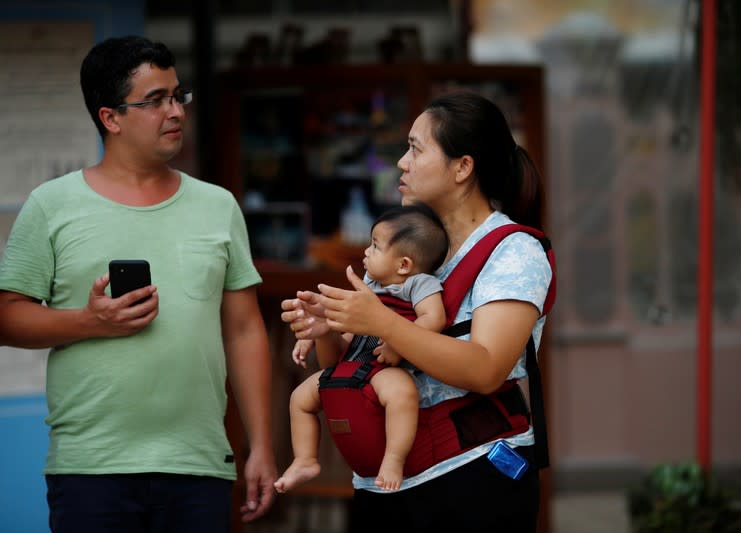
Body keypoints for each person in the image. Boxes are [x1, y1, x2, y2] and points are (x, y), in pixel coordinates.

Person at [0, 35, 277, 532]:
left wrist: (261, 446)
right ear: (111, 118)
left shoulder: (218, 206)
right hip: (91, 468)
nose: (174, 112)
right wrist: (86, 321)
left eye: (177, 96)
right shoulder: (51, 205)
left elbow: (244, 331)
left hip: (198, 464)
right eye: (154, 101)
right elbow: (7, 316)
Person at [281, 91, 553, 532]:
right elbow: (347, 366)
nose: (401, 164)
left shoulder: (514, 252)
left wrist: (382, 321)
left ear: (463, 167)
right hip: (384, 483)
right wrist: (328, 328)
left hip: (470, 478)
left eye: (415, 148)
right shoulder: (410, 251)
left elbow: (486, 369)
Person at [275, 203, 449, 493]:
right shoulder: (370, 282)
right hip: (354, 362)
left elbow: (434, 318)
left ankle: (393, 459)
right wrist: (315, 330)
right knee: (300, 398)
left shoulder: (419, 284)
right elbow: (341, 324)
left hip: (386, 367)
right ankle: (305, 459)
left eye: (376, 246)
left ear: (404, 265)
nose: (366, 251)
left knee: (401, 393)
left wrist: (399, 344)